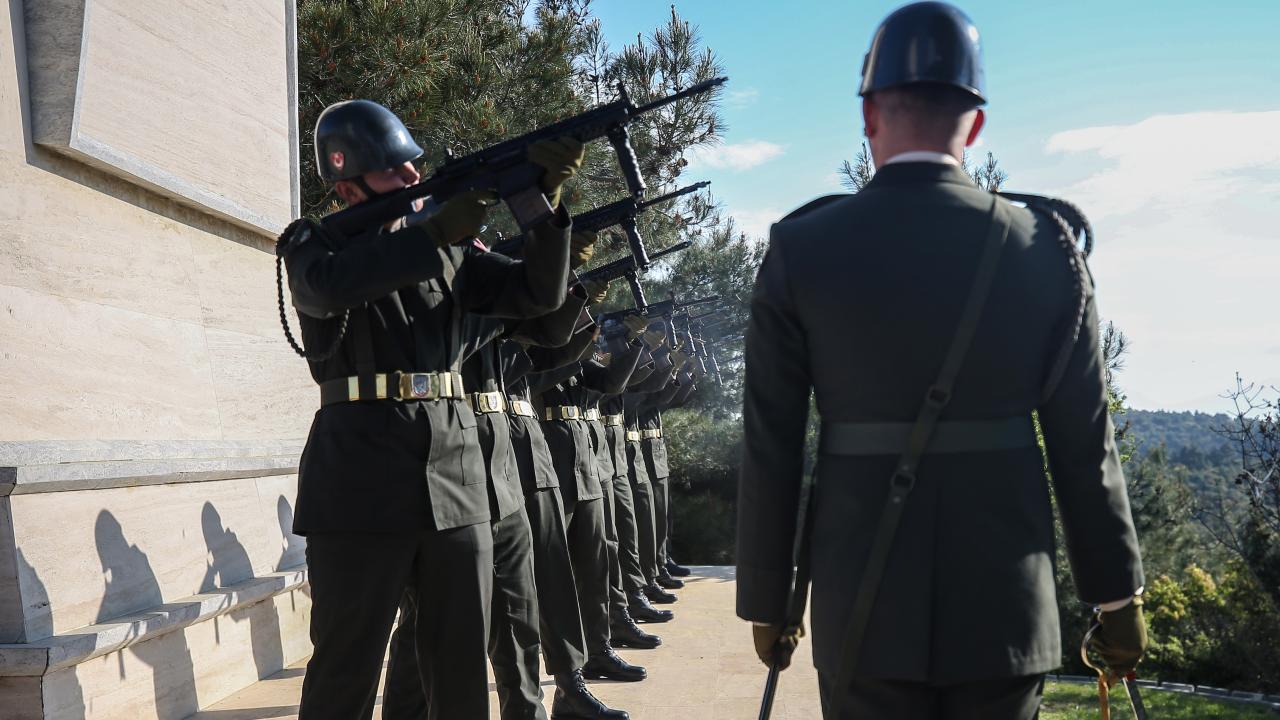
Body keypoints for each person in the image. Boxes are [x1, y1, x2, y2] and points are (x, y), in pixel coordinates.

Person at [736, 4, 1147, 719]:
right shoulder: (1046, 248)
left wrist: (767, 600)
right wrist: (1118, 598)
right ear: (976, 125)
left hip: (862, 611)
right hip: (1006, 611)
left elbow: (771, 444)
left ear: (868, 116)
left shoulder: (801, 250)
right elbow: (1085, 445)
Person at [283, 98, 582, 719]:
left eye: (414, 166)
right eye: (396, 171)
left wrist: (541, 205)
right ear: (346, 182)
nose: (414, 178)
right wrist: (436, 233)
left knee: (459, 669)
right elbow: (331, 288)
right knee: (347, 667)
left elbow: (538, 302)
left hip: (454, 476)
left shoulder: (452, 252)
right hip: (359, 485)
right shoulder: (313, 246)